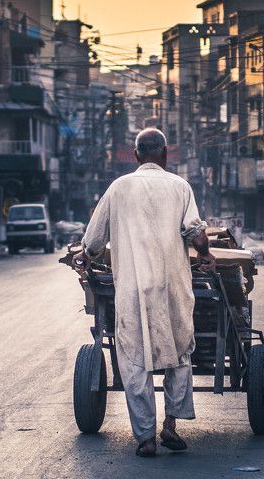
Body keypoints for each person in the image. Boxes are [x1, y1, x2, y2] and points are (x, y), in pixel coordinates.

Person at [78, 129, 215, 458]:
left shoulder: (118, 188)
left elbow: (94, 243)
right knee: (180, 352)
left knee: (134, 359)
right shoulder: (180, 187)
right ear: (165, 154)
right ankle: (170, 424)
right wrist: (206, 254)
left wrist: (83, 255)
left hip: (133, 289)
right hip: (174, 288)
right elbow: (195, 233)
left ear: (137, 156)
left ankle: (146, 438)